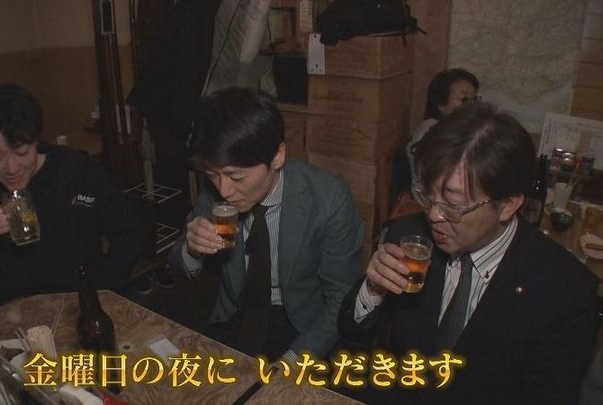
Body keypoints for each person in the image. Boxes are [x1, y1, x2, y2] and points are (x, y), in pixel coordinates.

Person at [338, 102, 599, 404]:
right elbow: (353, 338)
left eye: (453, 205)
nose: (433, 215)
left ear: (508, 205)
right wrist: (373, 290)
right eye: (427, 194)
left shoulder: (566, 293)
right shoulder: (408, 238)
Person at [168, 87, 364, 362]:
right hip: (236, 314)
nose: (224, 190)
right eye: (213, 175)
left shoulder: (329, 200)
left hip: (302, 325)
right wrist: (192, 250)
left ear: (277, 156)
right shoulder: (214, 191)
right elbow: (176, 266)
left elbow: (341, 298)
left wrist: (292, 363)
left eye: (237, 177)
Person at [0, 83, 141, 312]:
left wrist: (100, 294)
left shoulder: (73, 170)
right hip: (12, 318)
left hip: (80, 308)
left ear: (36, 141)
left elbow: (128, 233)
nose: (11, 168)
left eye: (21, 152)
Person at [405, 68, 479, 186]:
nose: (471, 105)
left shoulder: (467, 129)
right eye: (464, 99)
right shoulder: (428, 131)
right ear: (441, 104)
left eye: (474, 99)